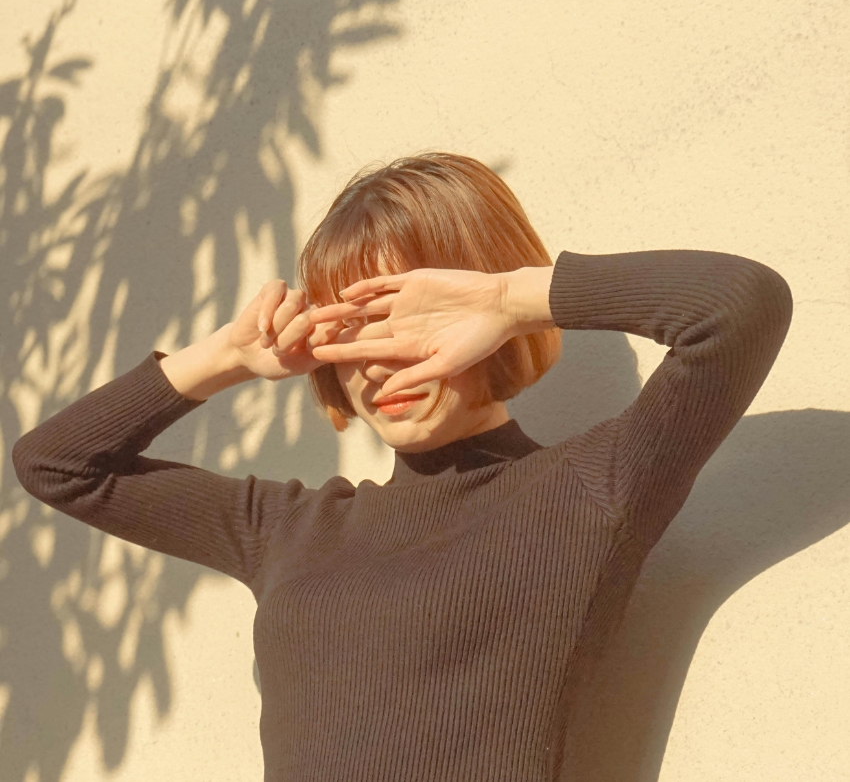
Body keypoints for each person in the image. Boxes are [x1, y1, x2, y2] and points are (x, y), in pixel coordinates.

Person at [12, 152, 794, 781]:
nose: (377, 360)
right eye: (349, 331)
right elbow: (57, 464)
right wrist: (228, 356)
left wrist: (509, 299)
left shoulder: (589, 488)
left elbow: (737, 307)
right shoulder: (287, 529)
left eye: (400, 321)